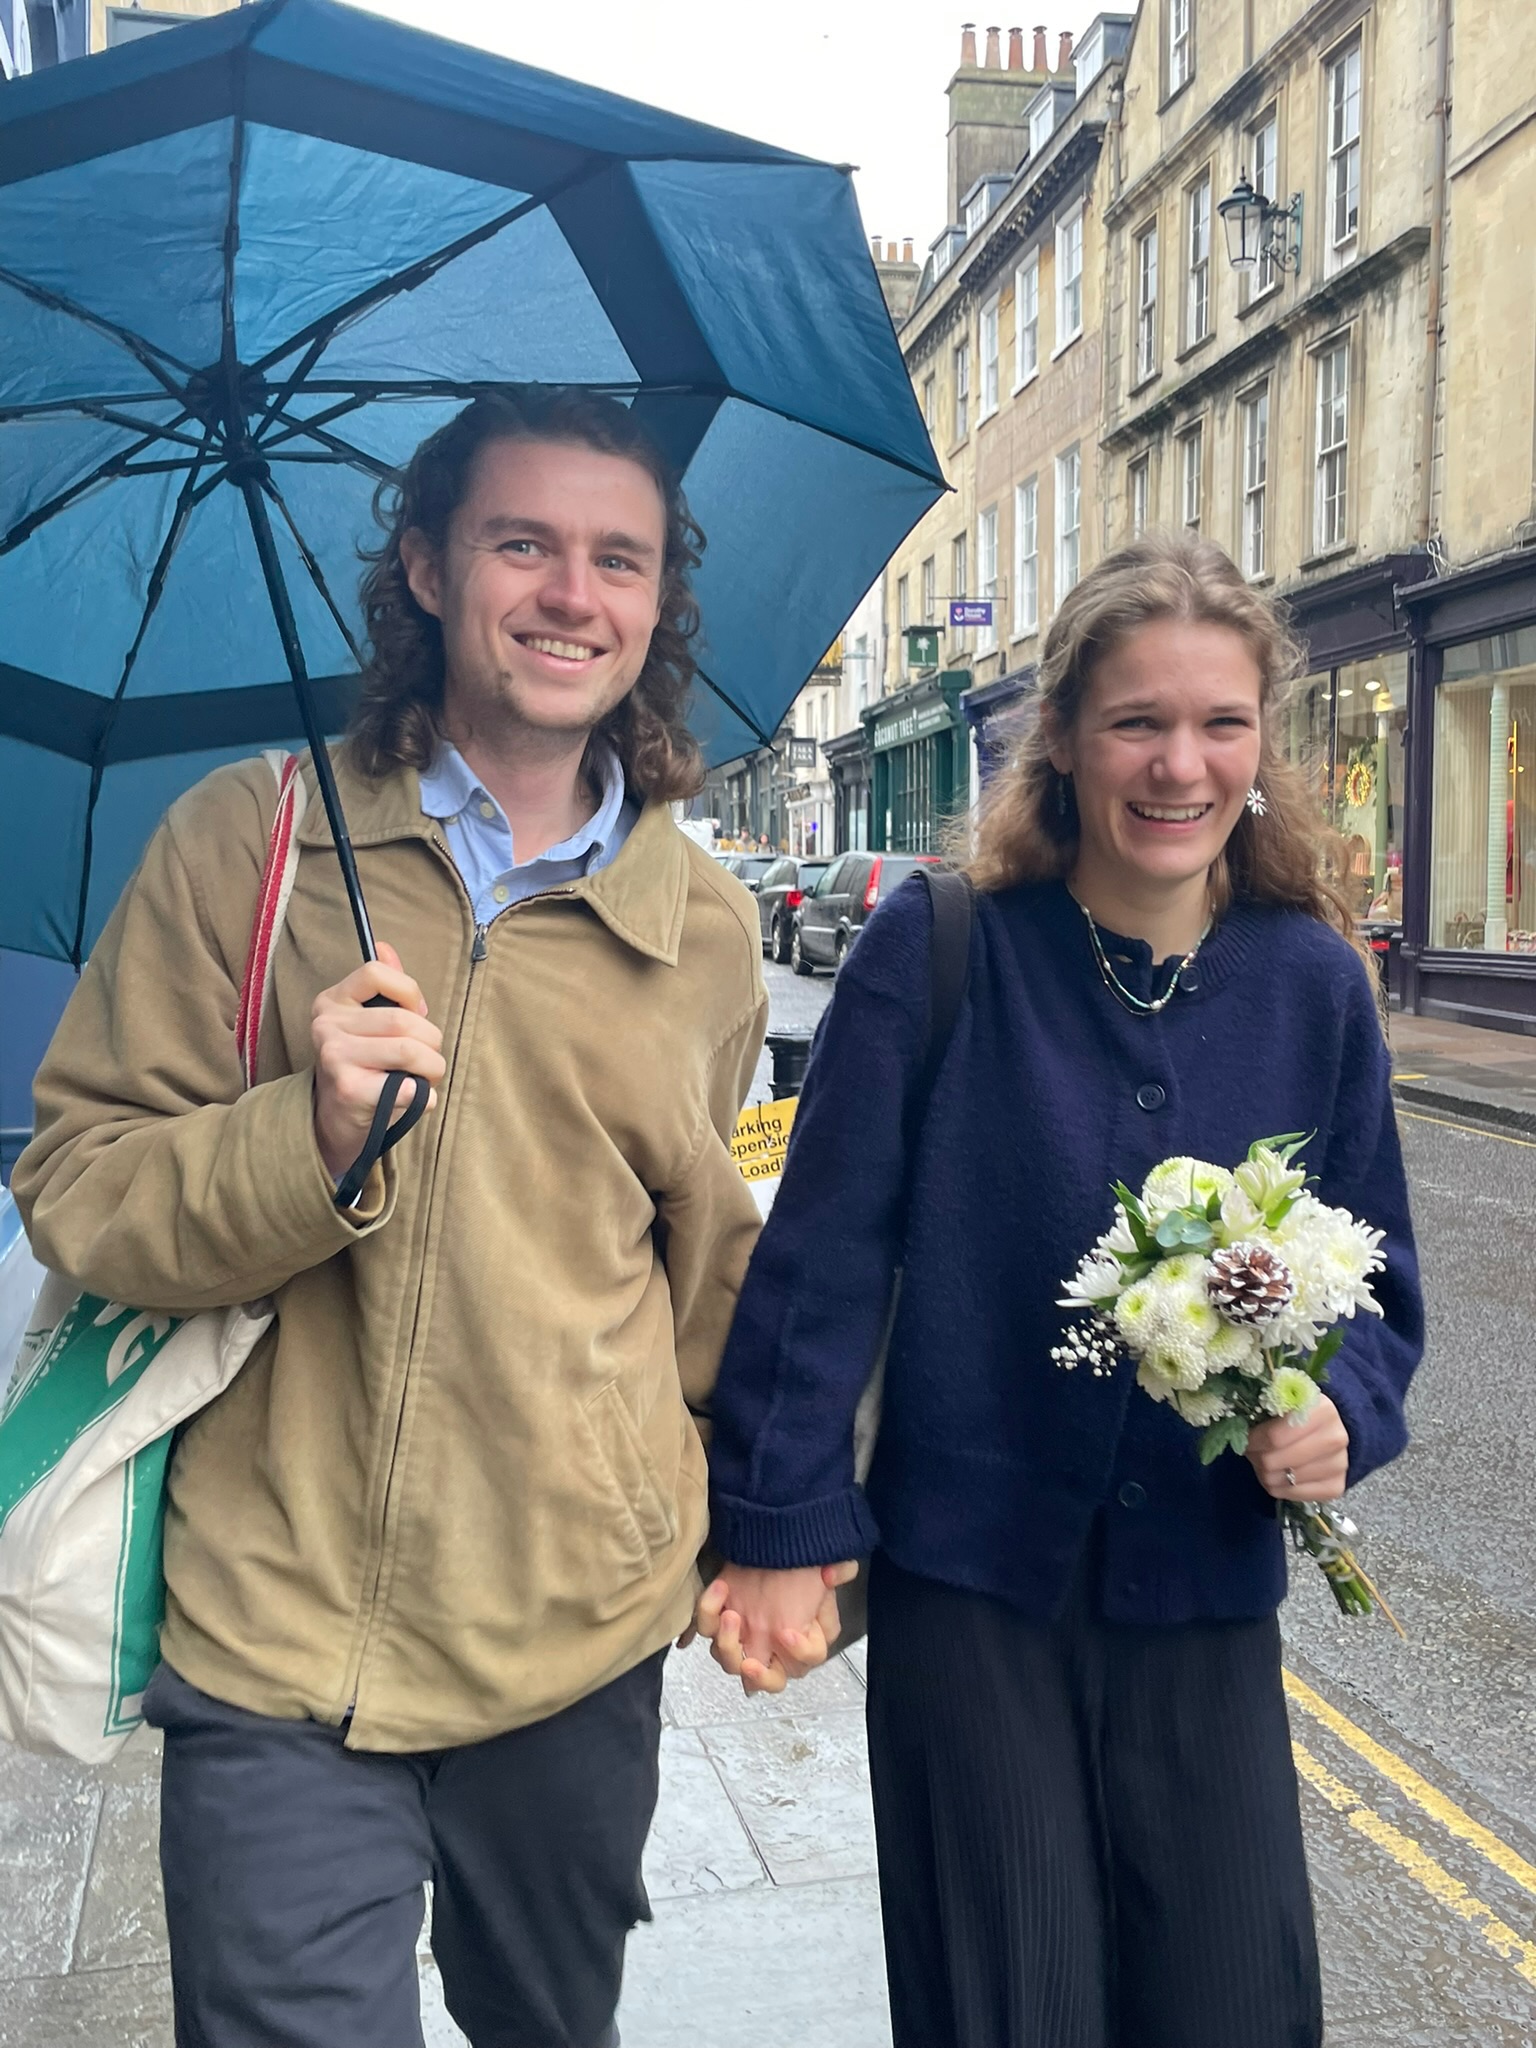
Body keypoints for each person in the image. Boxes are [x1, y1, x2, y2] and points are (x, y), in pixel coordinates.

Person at [13, 388, 770, 2048]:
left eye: (618, 558)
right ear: (425, 567)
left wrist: (751, 1536)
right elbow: (76, 1185)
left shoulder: (701, 929)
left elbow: (704, 1282)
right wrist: (310, 1136)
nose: (574, 593)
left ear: (658, 603)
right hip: (275, 1636)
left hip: (571, 1641)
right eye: (524, 543)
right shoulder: (245, 843)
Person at [697, 533, 1424, 2048]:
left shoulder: (1312, 984)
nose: (1180, 765)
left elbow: (1378, 1287)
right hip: (977, 1604)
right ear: (1069, 742)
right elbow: (819, 1267)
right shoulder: (943, 948)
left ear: (1262, 747)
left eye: (1220, 724)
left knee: (1234, 2004)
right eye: (1136, 723)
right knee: (1006, 2008)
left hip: (1210, 1600)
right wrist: (777, 1530)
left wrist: (1340, 1411)